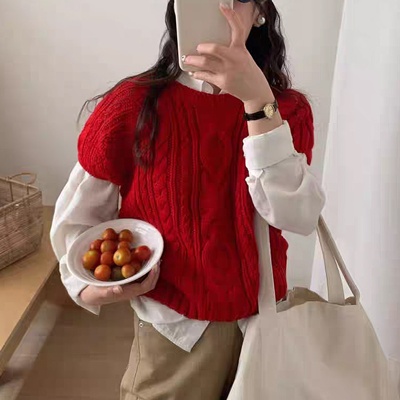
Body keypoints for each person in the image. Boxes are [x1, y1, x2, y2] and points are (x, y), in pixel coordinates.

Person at [50, 1, 325, 399]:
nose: (220, 6)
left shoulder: (287, 110)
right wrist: (91, 286)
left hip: (264, 323)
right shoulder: (133, 105)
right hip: (174, 331)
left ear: (259, 11)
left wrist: (258, 104)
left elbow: (299, 217)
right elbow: (78, 218)